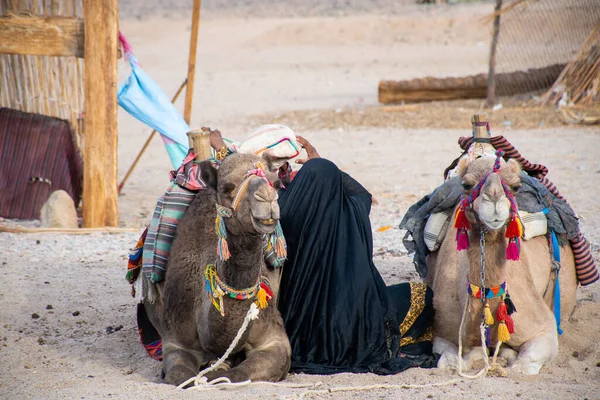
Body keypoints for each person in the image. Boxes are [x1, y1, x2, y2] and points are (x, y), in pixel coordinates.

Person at [127, 125, 436, 375]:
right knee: (419, 298)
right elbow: (360, 198)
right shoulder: (345, 215)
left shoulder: (284, 218)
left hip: (302, 326)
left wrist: (223, 154)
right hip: (365, 319)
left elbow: (244, 202)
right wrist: (322, 165)